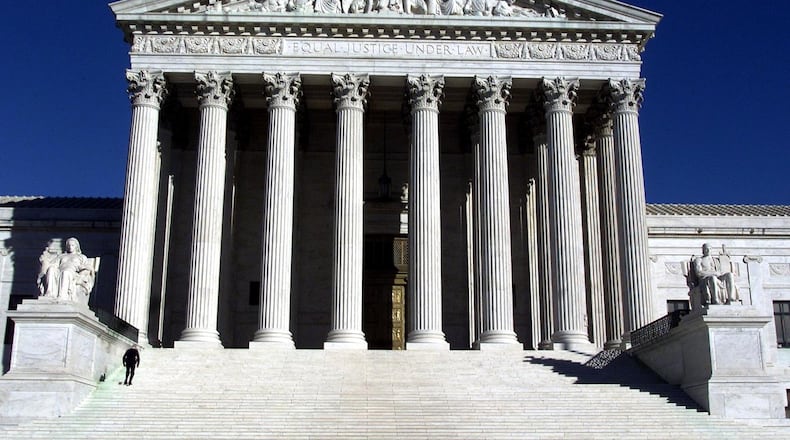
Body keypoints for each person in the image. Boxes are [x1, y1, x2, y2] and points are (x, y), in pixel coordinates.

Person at [37, 237, 95, 302]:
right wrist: (45, 262)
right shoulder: (61, 256)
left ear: (76, 246)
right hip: (59, 271)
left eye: (72, 245)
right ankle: (49, 293)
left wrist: (82, 271)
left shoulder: (81, 257)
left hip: (73, 273)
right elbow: (53, 264)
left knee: (65, 272)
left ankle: (62, 295)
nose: (70, 247)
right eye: (69, 245)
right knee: (51, 269)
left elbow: (87, 268)